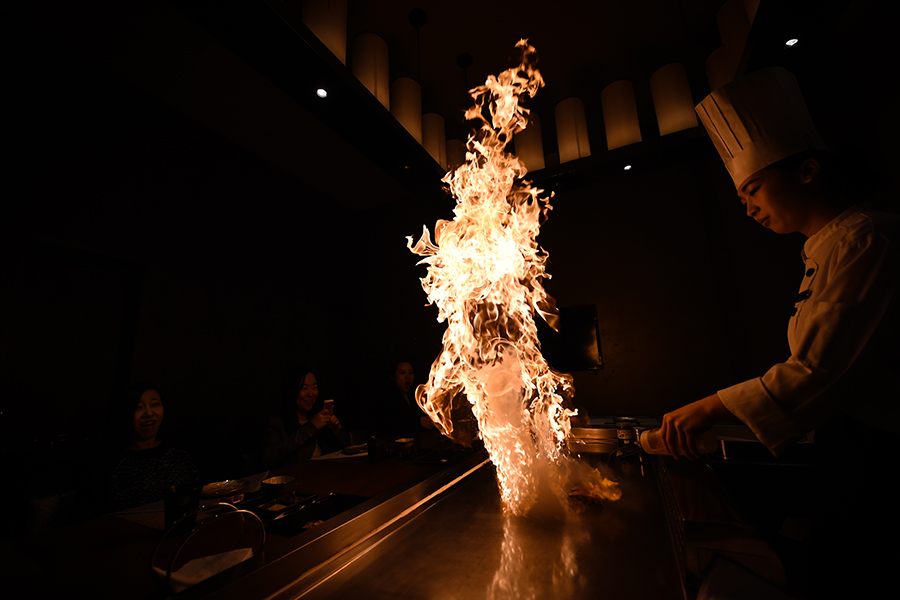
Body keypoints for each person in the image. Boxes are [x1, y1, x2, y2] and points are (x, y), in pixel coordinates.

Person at [662, 66, 899, 596]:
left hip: (883, 456)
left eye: (753, 188)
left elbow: (818, 372)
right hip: (850, 451)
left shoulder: (869, 240)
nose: (746, 207)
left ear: (808, 170)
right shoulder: (825, 249)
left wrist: (707, 408)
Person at [105, 383, 200, 511]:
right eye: (138, 407)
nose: (148, 413)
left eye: (155, 404)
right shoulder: (110, 465)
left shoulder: (180, 457)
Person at [262, 368, 350, 467]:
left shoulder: (318, 416)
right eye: (304, 388)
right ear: (292, 391)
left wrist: (337, 429)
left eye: (314, 387)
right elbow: (269, 457)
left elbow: (347, 448)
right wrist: (312, 426)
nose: (311, 394)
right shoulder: (277, 422)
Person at [375, 360, 435, 438]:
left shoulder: (414, 396)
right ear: (393, 377)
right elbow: (390, 425)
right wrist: (418, 422)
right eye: (403, 373)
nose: (407, 377)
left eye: (410, 372)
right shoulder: (388, 398)